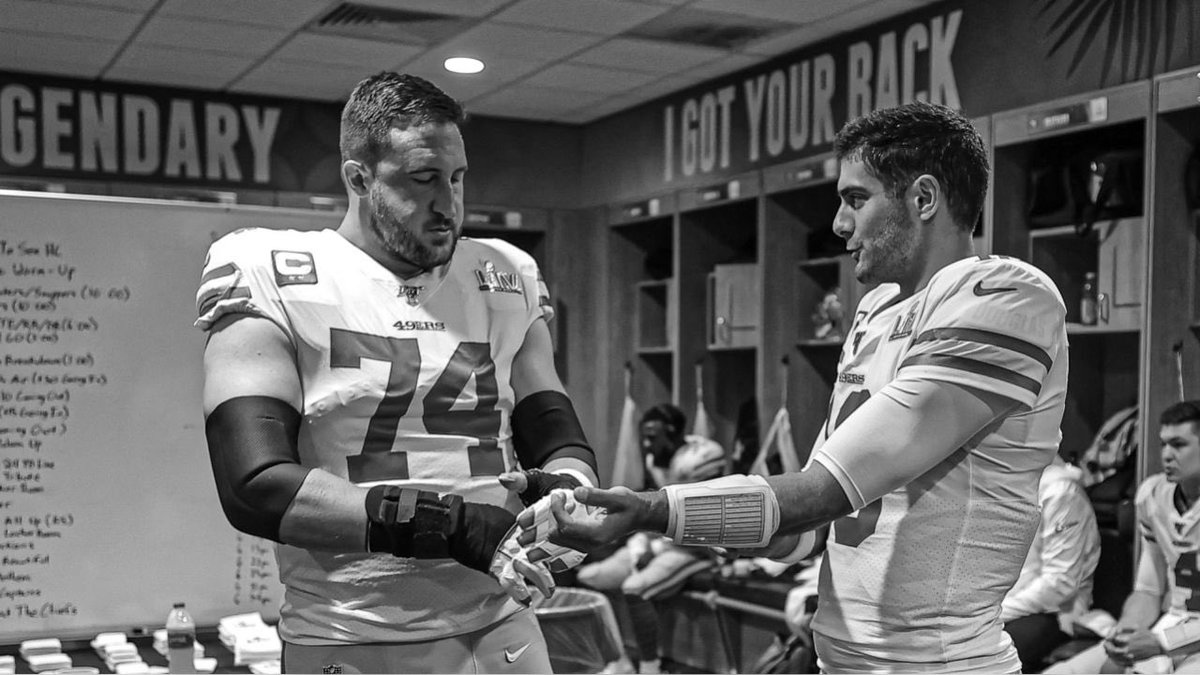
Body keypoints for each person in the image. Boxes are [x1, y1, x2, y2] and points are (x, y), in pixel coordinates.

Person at [533, 101, 1070, 673]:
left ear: (923, 199)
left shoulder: (1005, 295)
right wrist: (717, 530)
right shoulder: (876, 311)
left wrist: (647, 510)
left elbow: (826, 490)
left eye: (856, 199)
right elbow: (812, 529)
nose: (839, 224)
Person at [195, 71, 597, 674]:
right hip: (351, 635)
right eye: (424, 179)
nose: (449, 203)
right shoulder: (268, 268)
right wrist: (450, 526)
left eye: (457, 177)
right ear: (358, 177)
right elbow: (254, 484)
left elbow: (555, 425)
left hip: (502, 626)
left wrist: (566, 490)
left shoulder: (505, 272)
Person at [1045, 401, 1200, 674]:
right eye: (1163, 444)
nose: (1166, 454)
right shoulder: (1153, 496)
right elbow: (1148, 590)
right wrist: (1128, 631)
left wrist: (1163, 642)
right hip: (1171, 624)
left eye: (1179, 444)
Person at [576, 404, 726, 674]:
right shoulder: (655, 460)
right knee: (591, 577)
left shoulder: (702, 458)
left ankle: (649, 666)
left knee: (634, 587)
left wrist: (653, 546)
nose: (646, 444)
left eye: (653, 437)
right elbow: (650, 509)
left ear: (672, 433)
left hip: (696, 548)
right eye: (644, 437)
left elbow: (707, 521)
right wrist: (641, 544)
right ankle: (619, 658)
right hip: (660, 541)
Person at [1001, 454, 1101, 672]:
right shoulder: (1000, 481)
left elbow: (1060, 583)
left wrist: (997, 612)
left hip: (1055, 613)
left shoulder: (1060, 490)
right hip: (1005, 607)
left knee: (988, 656)